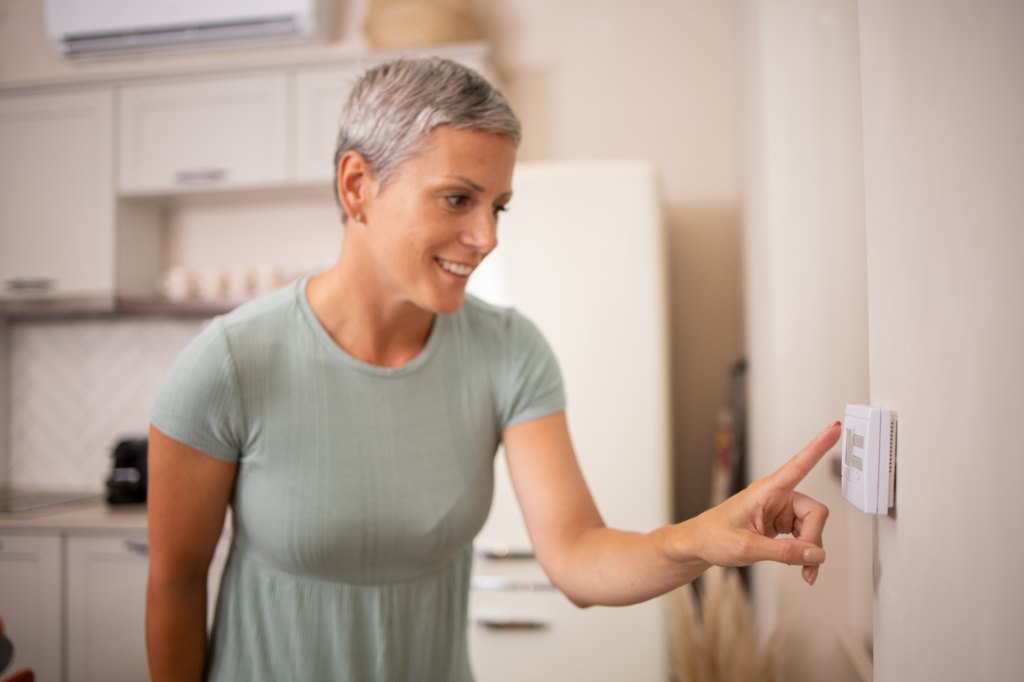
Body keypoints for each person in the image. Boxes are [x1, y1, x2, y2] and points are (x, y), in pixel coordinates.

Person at [145, 56, 839, 681]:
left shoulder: (508, 351)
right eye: (458, 199)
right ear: (357, 185)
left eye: (498, 206)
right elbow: (175, 583)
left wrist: (702, 538)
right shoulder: (231, 362)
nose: (488, 237)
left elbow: (577, 555)